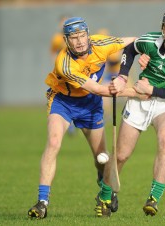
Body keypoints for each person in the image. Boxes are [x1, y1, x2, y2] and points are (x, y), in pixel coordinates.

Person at [27, 17, 139, 219]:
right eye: (73, 38)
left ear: (88, 35)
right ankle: (42, 202)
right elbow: (97, 88)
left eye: (81, 36)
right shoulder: (65, 63)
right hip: (64, 102)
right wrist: (128, 91)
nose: (79, 41)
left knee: (100, 158)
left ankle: (103, 182)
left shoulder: (101, 44)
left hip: (90, 105)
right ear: (66, 40)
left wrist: (153, 48)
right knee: (53, 143)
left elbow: (133, 41)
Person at [95, 9, 165, 217]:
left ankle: (153, 198)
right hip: (139, 101)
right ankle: (106, 194)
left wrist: (152, 90)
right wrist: (123, 77)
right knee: (122, 155)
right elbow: (130, 49)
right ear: (162, 29)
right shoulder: (150, 41)